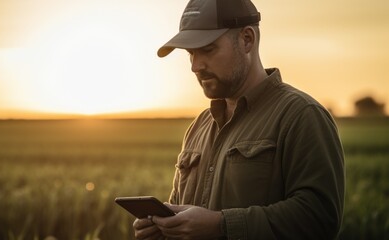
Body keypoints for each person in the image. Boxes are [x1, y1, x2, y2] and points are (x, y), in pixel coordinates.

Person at [133, 0, 345, 239]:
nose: (195, 66)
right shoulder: (198, 127)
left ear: (247, 40)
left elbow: (320, 218)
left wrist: (220, 226)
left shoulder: (301, 115)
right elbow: (183, 210)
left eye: (208, 49)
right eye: (191, 53)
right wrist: (164, 227)